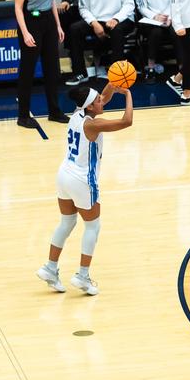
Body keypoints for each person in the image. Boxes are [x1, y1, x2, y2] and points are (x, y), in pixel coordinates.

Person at [36, 84, 133, 295]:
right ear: (90, 107)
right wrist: (127, 94)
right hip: (81, 180)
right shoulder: (93, 125)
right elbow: (127, 121)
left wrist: (112, 84)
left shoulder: (77, 113)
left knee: (67, 222)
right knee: (93, 227)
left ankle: (50, 268)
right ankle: (82, 276)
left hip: (64, 175)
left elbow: (103, 99)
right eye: (98, 99)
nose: (102, 100)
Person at [14, 0, 69, 128]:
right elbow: (18, 8)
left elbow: (52, 0)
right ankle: (23, 116)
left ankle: (54, 111)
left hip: (49, 22)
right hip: (31, 22)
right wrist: (25, 32)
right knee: (27, 71)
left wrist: (58, 25)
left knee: (53, 69)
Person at [66, 0, 135, 86]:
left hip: (120, 18)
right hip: (97, 19)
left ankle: (117, 73)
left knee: (117, 30)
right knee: (74, 29)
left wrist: (116, 19)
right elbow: (83, 8)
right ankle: (80, 73)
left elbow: (129, 5)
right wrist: (94, 23)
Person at [135, 0, 182, 81]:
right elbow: (141, 6)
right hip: (151, 20)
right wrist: (155, 16)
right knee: (155, 33)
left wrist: (169, 16)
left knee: (176, 32)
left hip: (171, 15)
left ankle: (182, 68)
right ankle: (150, 67)